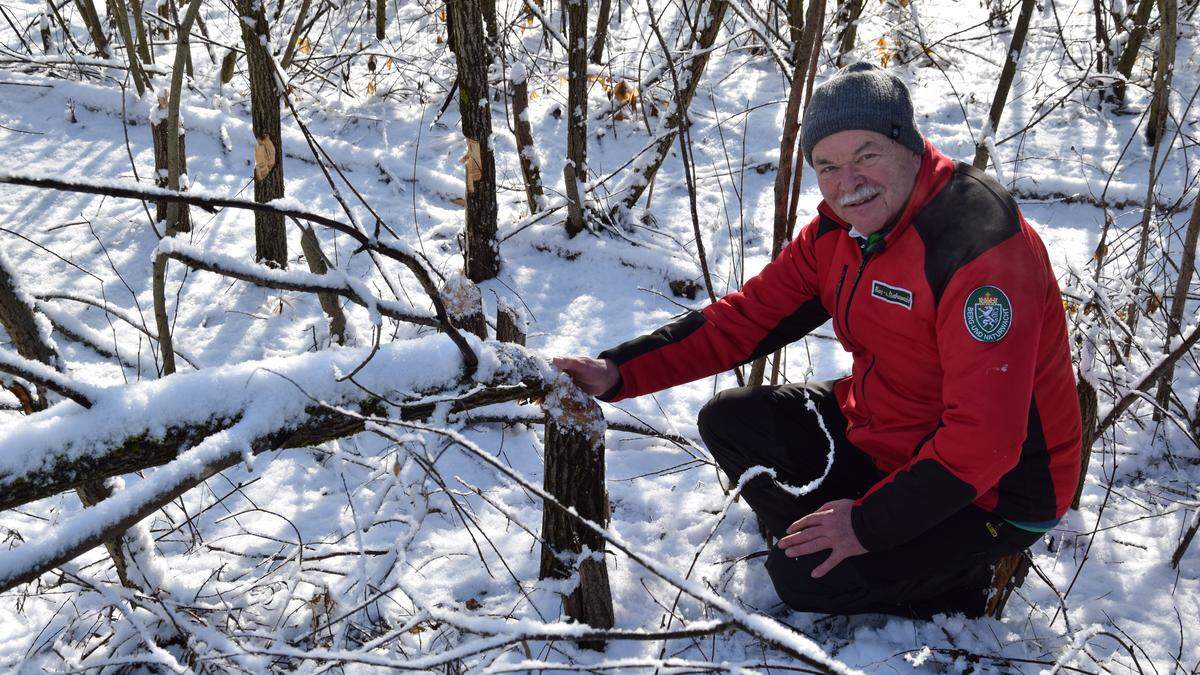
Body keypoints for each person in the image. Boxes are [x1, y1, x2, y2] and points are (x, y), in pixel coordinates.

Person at [554, 62, 1082, 618]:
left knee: (804, 581)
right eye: (827, 165)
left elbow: (985, 445)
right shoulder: (840, 231)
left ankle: (960, 582)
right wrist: (619, 371)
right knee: (730, 420)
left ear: (909, 145)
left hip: (996, 491)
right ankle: (843, 538)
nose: (847, 182)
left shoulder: (978, 248)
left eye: (866, 155)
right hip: (891, 431)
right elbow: (745, 319)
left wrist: (865, 525)